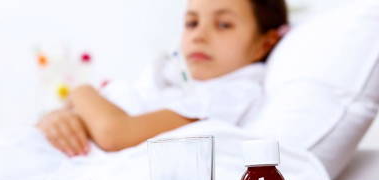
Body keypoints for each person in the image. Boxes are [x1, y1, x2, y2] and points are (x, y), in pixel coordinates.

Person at [37, 0, 289, 157]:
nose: (199, 35)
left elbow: (115, 133)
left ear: (264, 43)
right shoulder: (173, 82)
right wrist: (58, 119)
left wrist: (80, 91)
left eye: (223, 24)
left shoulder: (233, 94)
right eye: (192, 23)